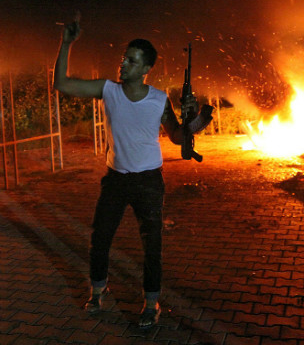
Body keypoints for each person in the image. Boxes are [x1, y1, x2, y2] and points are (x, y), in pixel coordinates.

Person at [54, 18, 209, 329]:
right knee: (100, 239)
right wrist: (66, 43)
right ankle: (98, 291)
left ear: (145, 69)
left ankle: (151, 304)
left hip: (149, 181)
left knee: (152, 246)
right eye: (124, 58)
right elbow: (63, 84)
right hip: (115, 179)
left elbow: (177, 136)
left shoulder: (158, 99)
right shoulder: (108, 90)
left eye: (131, 60)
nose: (123, 64)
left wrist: (193, 118)